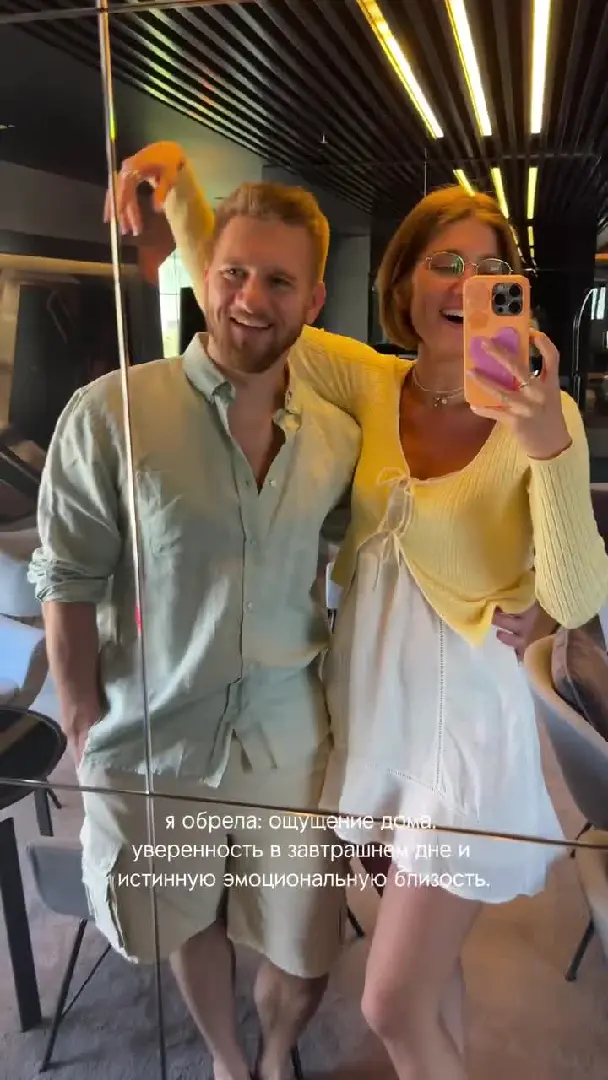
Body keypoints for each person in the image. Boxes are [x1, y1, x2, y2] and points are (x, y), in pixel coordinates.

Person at [115, 142, 608, 1080]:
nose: (467, 284)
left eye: (491, 269)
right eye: (445, 262)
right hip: (371, 715)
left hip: (461, 730)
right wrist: (180, 192)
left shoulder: (543, 416)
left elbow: (580, 595)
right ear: (405, 282)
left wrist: (546, 438)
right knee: (428, 976)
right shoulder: (371, 383)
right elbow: (253, 301)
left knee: (389, 1001)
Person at [27, 178, 363, 1080]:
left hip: (288, 742)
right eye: (234, 272)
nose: (251, 298)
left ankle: (279, 1049)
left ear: (313, 300)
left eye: (279, 281)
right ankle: (227, 1060)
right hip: (156, 734)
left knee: (307, 941)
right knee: (185, 917)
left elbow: (365, 556)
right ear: (205, 274)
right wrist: (78, 713)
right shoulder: (114, 412)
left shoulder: (337, 438)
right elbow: (67, 575)